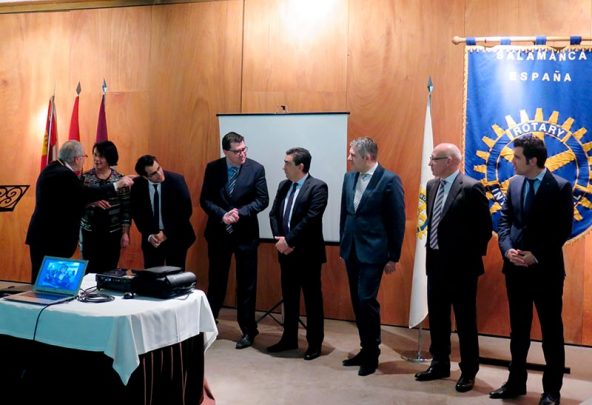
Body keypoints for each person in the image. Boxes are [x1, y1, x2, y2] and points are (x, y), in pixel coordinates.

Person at [490, 136, 572, 405]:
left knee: (551, 333)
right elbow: (505, 221)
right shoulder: (514, 184)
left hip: (546, 272)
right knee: (518, 331)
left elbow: (562, 229)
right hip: (515, 270)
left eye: (516, 157)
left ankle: (551, 391)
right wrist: (507, 250)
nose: (512, 162)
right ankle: (516, 383)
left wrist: (536, 255)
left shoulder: (560, 187)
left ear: (533, 160)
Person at [414, 143, 492, 392]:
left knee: (465, 322)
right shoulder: (431, 185)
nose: (430, 163)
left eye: (433, 159)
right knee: (438, 318)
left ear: (449, 161)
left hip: (462, 270)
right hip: (435, 264)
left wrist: (466, 260)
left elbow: (484, 230)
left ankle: (468, 371)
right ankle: (439, 363)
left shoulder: (471, 187)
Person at [339, 136, 405, 376]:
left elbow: (397, 220)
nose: (349, 158)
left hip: (374, 251)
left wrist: (393, 256)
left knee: (366, 300)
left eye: (352, 155)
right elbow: (345, 214)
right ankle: (364, 348)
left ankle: (372, 353)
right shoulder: (349, 177)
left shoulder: (389, 180)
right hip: (351, 249)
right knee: (357, 302)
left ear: (367, 157)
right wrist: (343, 244)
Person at [26, 140, 135, 282]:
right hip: (51, 238)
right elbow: (84, 193)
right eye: (86, 156)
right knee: (46, 281)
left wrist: (90, 201)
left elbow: (70, 199)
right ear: (77, 159)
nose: (90, 160)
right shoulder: (64, 174)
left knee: (45, 280)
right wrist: (116, 185)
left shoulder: (54, 168)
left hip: (48, 236)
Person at [200, 132, 269, 349]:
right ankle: (208, 326)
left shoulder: (256, 169)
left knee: (246, 284)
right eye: (237, 151)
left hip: (245, 235)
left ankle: (248, 329)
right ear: (226, 152)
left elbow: (262, 200)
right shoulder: (213, 168)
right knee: (216, 281)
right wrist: (222, 215)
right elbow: (205, 199)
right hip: (219, 234)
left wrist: (240, 212)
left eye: (244, 149)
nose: (242, 154)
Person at [267, 147, 328, 360]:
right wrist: (280, 239)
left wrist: (289, 241)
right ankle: (289, 339)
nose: (283, 167)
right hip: (286, 253)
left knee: (312, 300)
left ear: (300, 166)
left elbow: (311, 218)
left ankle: (314, 343)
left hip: (308, 254)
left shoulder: (318, 187)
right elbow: (273, 214)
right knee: (289, 297)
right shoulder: (283, 185)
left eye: (287, 163)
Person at [131, 155, 196, 270]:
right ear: (145, 177)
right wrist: (149, 235)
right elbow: (137, 214)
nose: (159, 174)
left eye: (159, 168)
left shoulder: (177, 180)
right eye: (153, 173)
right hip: (152, 240)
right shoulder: (137, 185)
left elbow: (185, 211)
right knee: (152, 275)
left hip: (176, 236)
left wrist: (166, 233)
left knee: (176, 276)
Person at [80, 141, 131, 274]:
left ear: (110, 158)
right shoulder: (85, 178)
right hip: (89, 233)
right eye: (95, 155)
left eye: (101, 156)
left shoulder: (120, 179)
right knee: (89, 272)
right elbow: (76, 203)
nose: (97, 159)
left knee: (109, 270)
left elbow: (126, 209)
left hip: (113, 234)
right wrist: (92, 203)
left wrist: (125, 233)